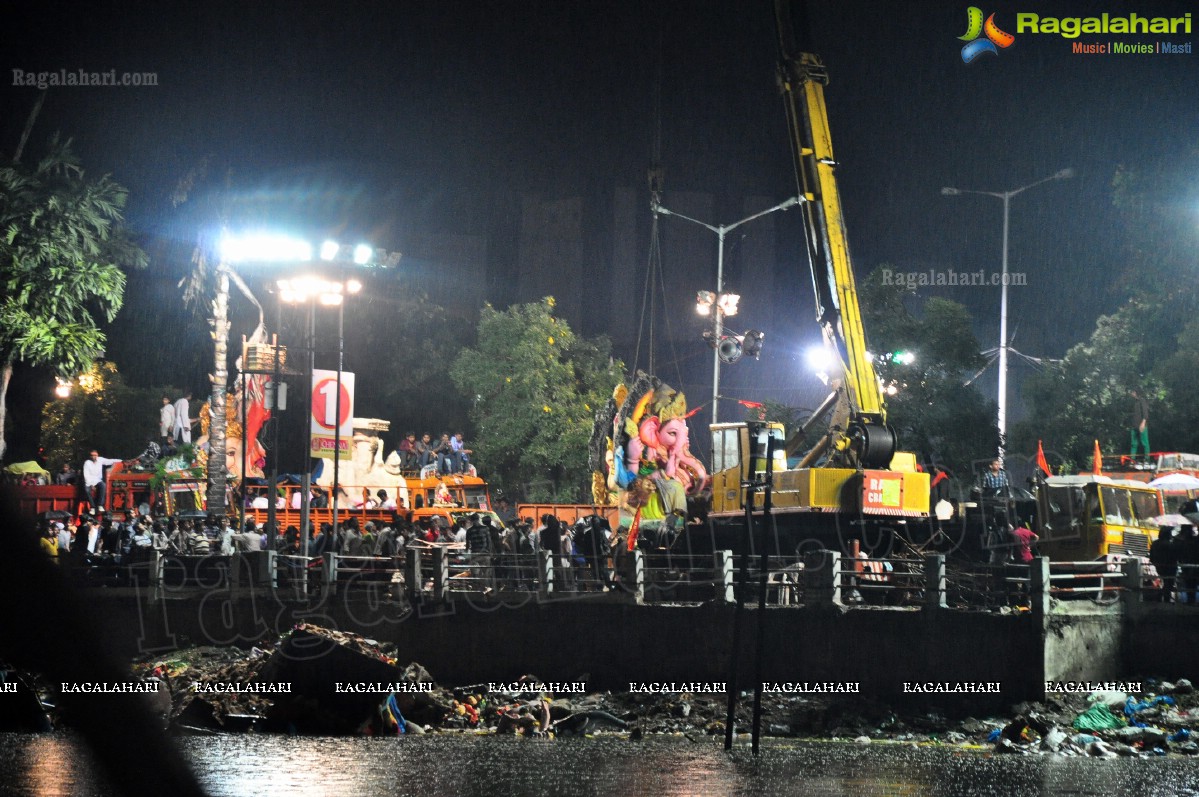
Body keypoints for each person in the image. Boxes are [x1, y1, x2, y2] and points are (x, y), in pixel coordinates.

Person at [1130, 388, 1150, 466]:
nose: (1131, 393)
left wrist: (1143, 423)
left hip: (1142, 425)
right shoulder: (1134, 402)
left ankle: (1147, 461)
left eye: (1132, 392)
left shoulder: (1142, 401)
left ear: (1135, 392)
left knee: (1145, 443)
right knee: (1133, 444)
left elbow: (1145, 413)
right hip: (1134, 426)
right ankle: (1132, 461)